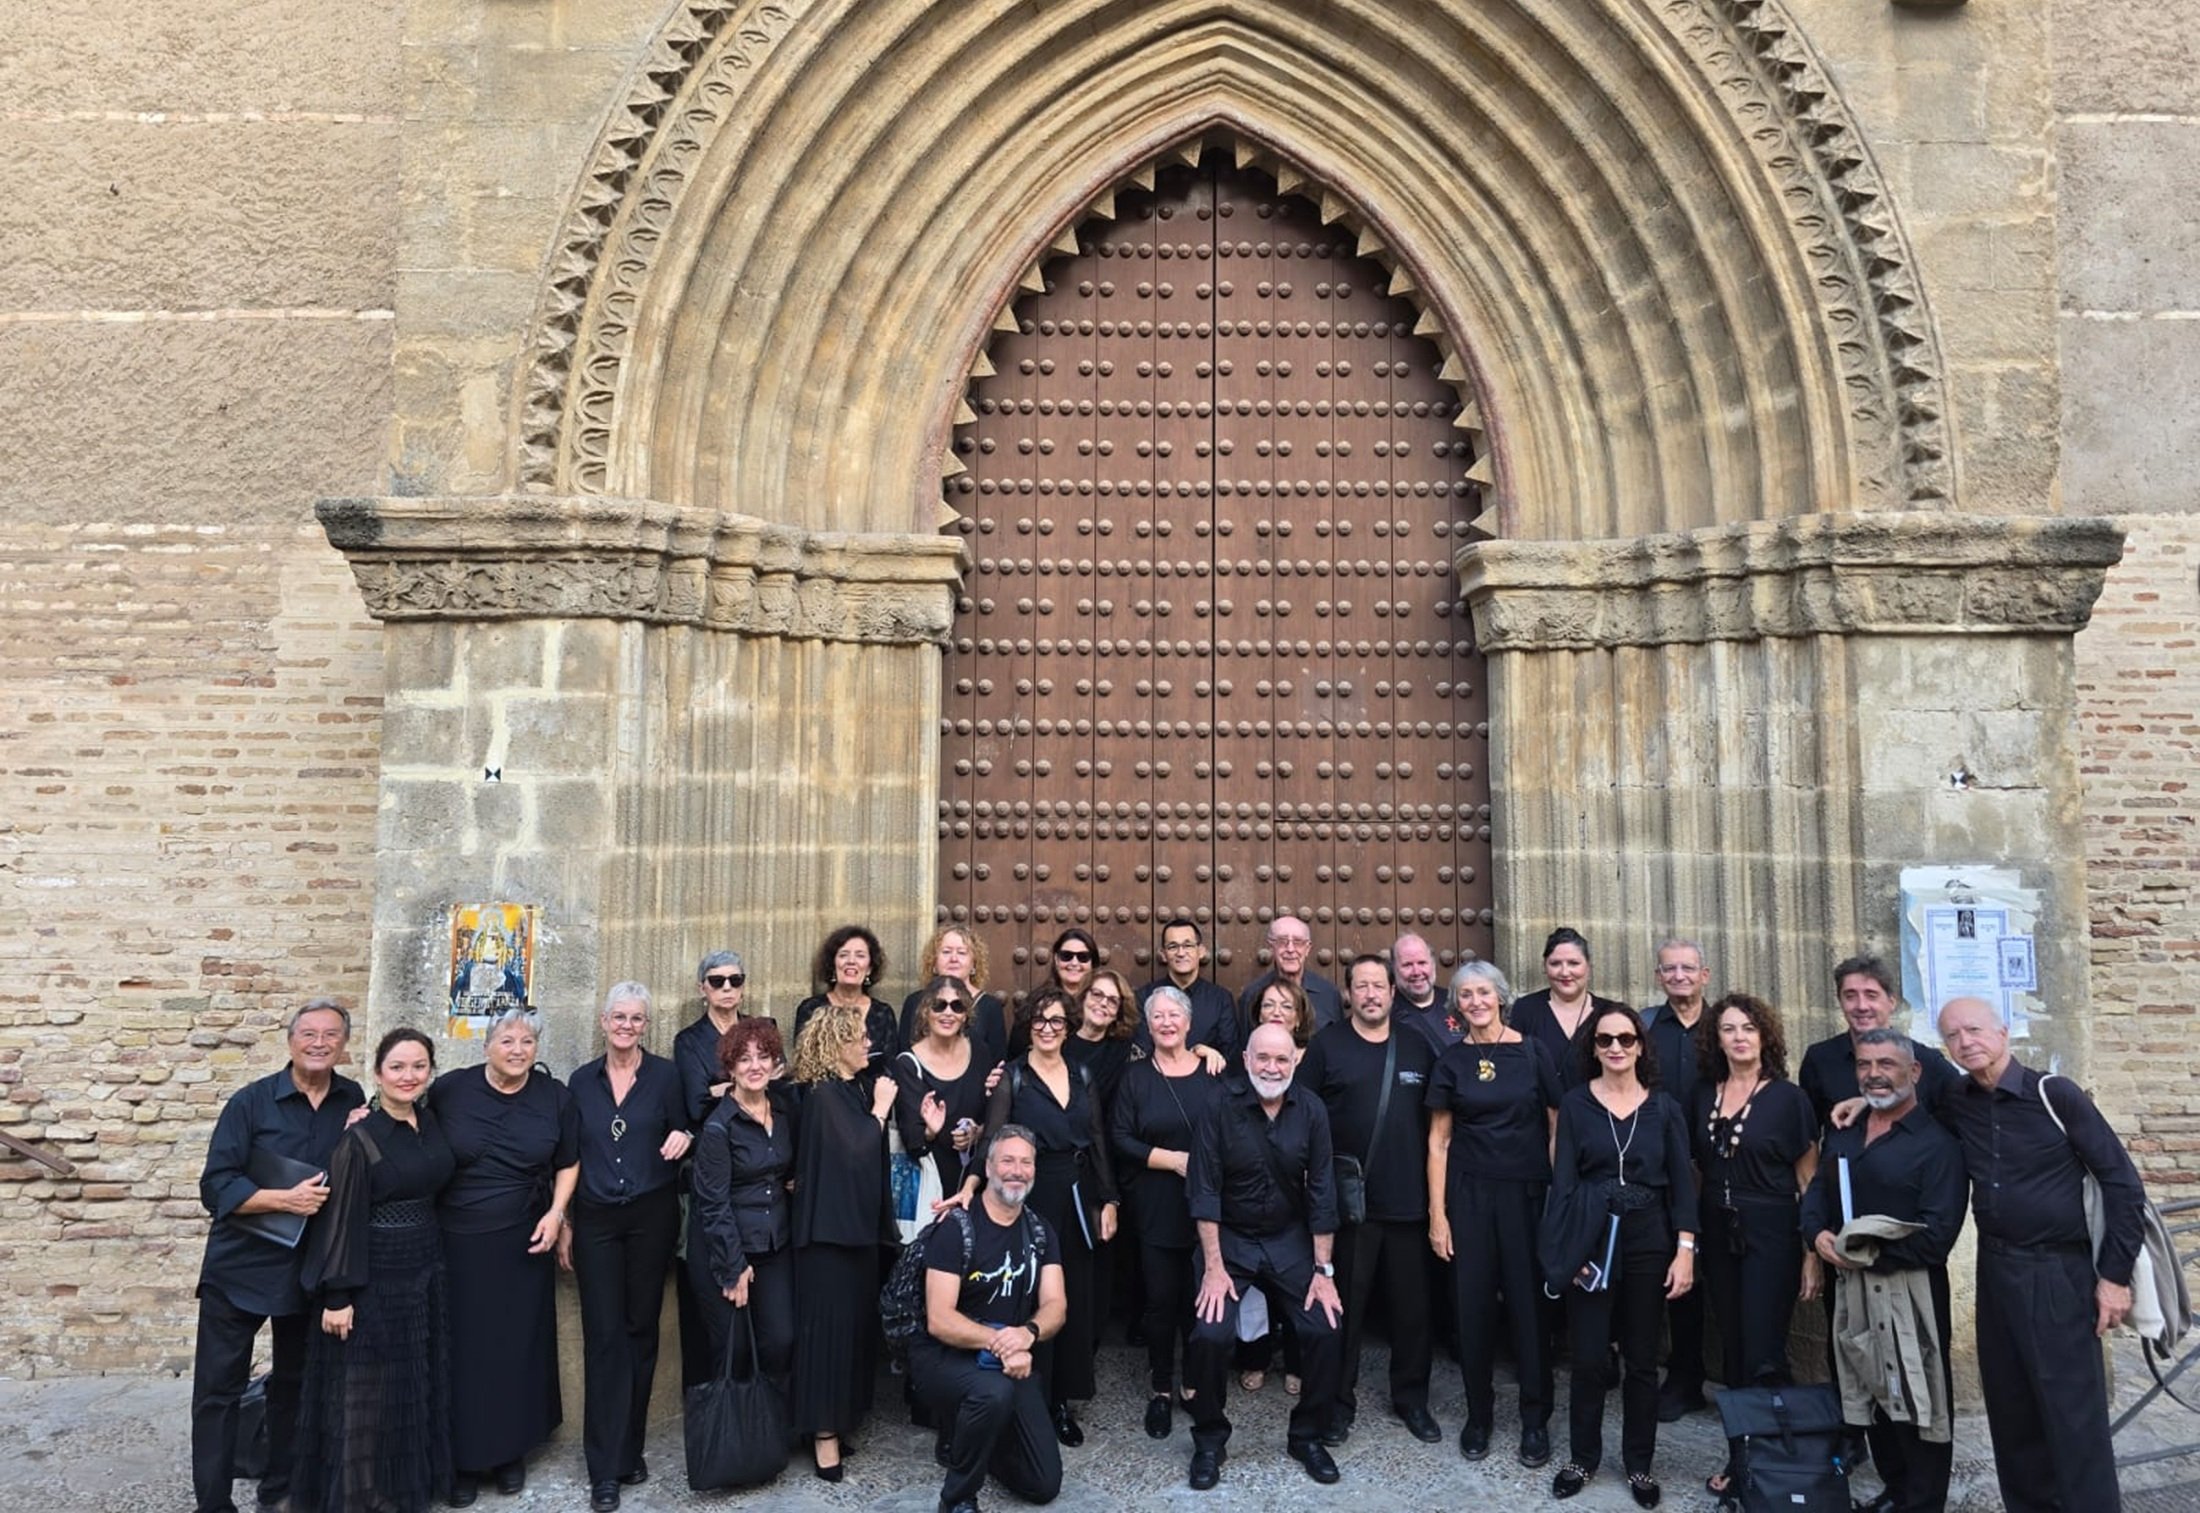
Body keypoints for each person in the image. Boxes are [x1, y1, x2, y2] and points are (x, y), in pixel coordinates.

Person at [1937, 995, 2145, 1513]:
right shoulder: (1957, 1098)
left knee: (2073, 1420)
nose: (1966, 1042)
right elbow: (1900, 1095)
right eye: (1954, 1036)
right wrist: (1857, 1107)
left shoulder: (2056, 1095)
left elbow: (2122, 1184)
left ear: (2003, 1033)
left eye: (1975, 1030)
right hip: (1997, 1270)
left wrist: (2114, 1277)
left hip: (2060, 1273)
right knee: (2013, 1415)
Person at [192, 999, 366, 1513]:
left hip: (306, 1270)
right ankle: (213, 1502)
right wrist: (283, 1201)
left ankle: (280, 1488)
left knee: (293, 1384)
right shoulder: (251, 1103)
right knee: (218, 1392)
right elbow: (215, 1186)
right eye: (308, 1033)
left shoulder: (351, 1099)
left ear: (343, 1044)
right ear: (290, 1040)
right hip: (239, 1267)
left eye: (330, 1034)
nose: (318, 1042)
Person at [290, 1027, 456, 1512]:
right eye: (398, 1067)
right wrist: (338, 1296)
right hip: (375, 1275)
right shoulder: (359, 1138)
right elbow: (341, 1221)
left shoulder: (430, 1123)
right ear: (378, 1074)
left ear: (430, 1072)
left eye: (419, 1066)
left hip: (425, 1268)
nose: (409, 1076)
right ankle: (359, 1496)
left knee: (408, 1384)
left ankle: (396, 1489)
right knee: (364, 1391)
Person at [1800, 1030, 1967, 1513]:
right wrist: (1816, 1235)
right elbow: (1818, 1195)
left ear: (1913, 1072)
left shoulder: (1937, 1145)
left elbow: (1937, 1236)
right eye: (1865, 1064)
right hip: (1852, 1285)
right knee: (1869, 1387)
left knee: (1921, 1395)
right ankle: (1895, 1488)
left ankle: (1923, 1501)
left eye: (1887, 1064)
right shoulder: (1846, 1131)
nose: (1874, 1073)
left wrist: (1862, 1252)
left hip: (1908, 1287)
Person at [1543, 1005, 1696, 1507]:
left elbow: (1682, 1187)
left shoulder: (1665, 1108)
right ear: (1593, 1048)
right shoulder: (1575, 1104)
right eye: (1605, 1040)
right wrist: (1570, 1252)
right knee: (1588, 1359)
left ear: (1639, 1047)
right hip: (1591, 1237)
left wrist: (1685, 1251)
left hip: (1649, 1239)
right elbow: (1562, 1185)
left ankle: (1639, 1465)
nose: (1615, 1048)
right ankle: (1582, 1458)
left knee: (1643, 1360)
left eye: (1625, 1039)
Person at [1183, 1022, 1346, 1489]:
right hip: (1229, 1241)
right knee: (1211, 1335)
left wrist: (1323, 1270)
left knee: (1326, 1325)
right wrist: (1213, 1268)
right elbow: (1205, 1189)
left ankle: (1308, 1435)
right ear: (1246, 1060)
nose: (1272, 1067)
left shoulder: (1311, 1109)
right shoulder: (1218, 1105)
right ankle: (1210, 1439)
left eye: (1281, 1059)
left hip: (1288, 1239)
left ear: (1295, 1060)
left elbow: (1321, 1192)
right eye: (1263, 1058)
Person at [433, 1008, 579, 1504]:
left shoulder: (555, 1097)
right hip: (458, 1237)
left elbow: (569, 1161)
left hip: (524, 1237)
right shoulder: (451, 1090)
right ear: (486, 1046)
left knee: (517, 1346)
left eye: (527, 1042)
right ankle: (462, 1460)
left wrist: (558, 1215)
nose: (518, 1050)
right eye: (507, 1041)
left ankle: (510, 1451)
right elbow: (405, 1120)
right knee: (464, 1347)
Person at [1294, 953, 1440, 1443]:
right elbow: (1301, 1117)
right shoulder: (1325, 1047)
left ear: (1393, 993)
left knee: (1413, 1312)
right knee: (1345, 1315)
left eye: (1380, 985)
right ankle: (1338, 1405)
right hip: (1348, 1209)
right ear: (1349, 994)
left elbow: (1438, 1129)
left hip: (1408, 1205)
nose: (1372, 994)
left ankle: (1412, 1400)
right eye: (1362, 986)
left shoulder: (1418, 1047)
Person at [1426, 960, 1562, 1468]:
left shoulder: (1532, 1050)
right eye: (1465, 995)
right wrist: (1438, 1215)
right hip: (1469, 1196)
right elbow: (1439, 1141)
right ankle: (1478, 1416)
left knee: (1529, 1310)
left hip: (1526, 1195)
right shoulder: (1451, 1060)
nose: (1476, 1002)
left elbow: (1554, 1125)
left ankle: (1534, 1420)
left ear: (1501, 997)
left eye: (1484, 993)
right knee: (1473, 1308)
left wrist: (1557, 1197)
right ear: (1456, 1005)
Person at [562, 984, 693, 1512]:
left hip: (650, 1216)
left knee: (641, 1332)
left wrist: (684, 1134)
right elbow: (568, 1154)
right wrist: (566, 1220)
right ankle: (604, 1468)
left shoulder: (665, 1076)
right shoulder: (579, 1081)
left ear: (645, 1025)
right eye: (619, 1016)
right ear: (603, 1021)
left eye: (636, 1018)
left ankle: (630, 1448)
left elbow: (686, 1127)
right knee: (604, 1336)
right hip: (595, 1220)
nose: (626, 1026)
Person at [1689, 993, 1818, 1504]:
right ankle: (1744, 1455)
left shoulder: (1789, 1100)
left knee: (1764, 1350)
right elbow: (1698, 1170)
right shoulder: (1704, 1095)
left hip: (1771, 1232)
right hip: (1719, 1234)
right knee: (1735, 1349)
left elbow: (1810, 1182)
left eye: (1748, 1028)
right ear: (1715, 1038)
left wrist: (1811, 1254)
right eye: (1728, 1028)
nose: (1738, 1036)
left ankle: (1768, 1463)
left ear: (1764, 1036)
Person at [976, 986, 1119, 1447]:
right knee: (1025, 1297)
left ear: (1068, 1025)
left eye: (1057, 1020)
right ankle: (1022, 1397)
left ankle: (1060, 1401)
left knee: (1070, 1299)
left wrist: (1110, 1200)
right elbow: (994, 1141)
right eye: (1039, 1021)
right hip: (1028, 1196)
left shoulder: (1080, 1073)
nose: (1048, 1029)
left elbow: (1096, 1138)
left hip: (1077, 1196)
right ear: (1028, 1027)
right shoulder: (1012, 1078)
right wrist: (972, 1191)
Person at [911, 1126, 1069, 1513]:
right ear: (990, 1167)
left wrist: (1028, 1334)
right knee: (992, 1393)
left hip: (1012, 1353)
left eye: (1026, 1162)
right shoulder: (956, 1228)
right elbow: (940, 1319)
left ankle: (973, 1439)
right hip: (945, 1356)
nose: (1017, 1170)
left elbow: (1056, 1305)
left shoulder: (1039, 1230)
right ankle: (958, 1498)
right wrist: (1003, 1342)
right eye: (1008, 1160)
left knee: (1043, 1483)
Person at [1110, 984, 1227, 1440]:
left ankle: (1194, 1384)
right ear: (1148, 1024)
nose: (1165, 1022)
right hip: (1157, 1203)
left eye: (1173, 1015)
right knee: (1160, 1303)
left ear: (1189, 1023)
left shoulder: (1213, 1071)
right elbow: (1121, 1137)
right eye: (1156, 1016)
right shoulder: (1136, 1078)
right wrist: (1172, 1159)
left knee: (1200, 1302)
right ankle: (1161, 1387)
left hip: (1207, 1204)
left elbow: (1231, 1129)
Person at [787, 1001, 898, 1481]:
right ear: (838, 1044)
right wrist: (880, 1110)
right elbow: (855, 1152)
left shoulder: (846, 1089)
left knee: (851, 1334)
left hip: (852, 1236)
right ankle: (823, 1434)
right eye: (860, 1037)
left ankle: (841, 1420)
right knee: (826, 1338)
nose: (868, 1044)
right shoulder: (825, 1094)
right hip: (828, 1241)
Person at [686, 1017, 797, 1406]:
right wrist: (733, 1267)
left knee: (781, 1340)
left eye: (763, 1057)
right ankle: (737, 1445)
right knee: (735, 1352)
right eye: (744, 1059)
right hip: (728, 1250)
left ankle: (773, 1433)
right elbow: (713, 1205)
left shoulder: (783, 1111)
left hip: (774, 1244)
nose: (755, 1066)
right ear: (730, 1068)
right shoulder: (719, 1127)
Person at [671, 949, 751, 1387]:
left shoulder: (760, 1030)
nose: (726, 988)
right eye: (716, 980)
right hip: (712, 1164)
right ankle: (709, 1395)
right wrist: (740, 1088)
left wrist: (723, 1088)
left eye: (734, 980)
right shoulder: (689, 1040)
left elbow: (774, 1087)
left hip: (756, 1165)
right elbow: (694, 1102)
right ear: (703, 988)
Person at [1639, 937, 1711, 1420]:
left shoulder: (1727, 1027)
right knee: (1670, 1275)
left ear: (1704, 975)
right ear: (1659, 976)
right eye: (1670, 969)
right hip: (1662, 1171)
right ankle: (1681, 1378)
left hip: (1718, 1169)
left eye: (1688, 968)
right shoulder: (1646, 1029)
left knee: (1717, 1276)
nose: (1679, 976)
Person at [1233, 974, 1314, 1392]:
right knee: (1255, 1288)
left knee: (1296, 1287)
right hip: (1250, 1192)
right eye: (1269, 1005)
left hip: (1296, 1190)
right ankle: (1256, 1357)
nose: (1277, 1012)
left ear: (1299, 1016)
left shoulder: (1312, 1060)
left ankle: (1298, 1361)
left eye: (1286, 1006)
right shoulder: (1245, 1057)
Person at [1797, 954, 1961, 1129]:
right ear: (1840, 1002)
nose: (1861, 1006)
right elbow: (1808, 1136)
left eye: (1871, 995)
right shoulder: (1819, 1059)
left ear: (1891, 1002)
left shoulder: (1928, 1062)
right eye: (1850, 996)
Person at [894, 975, 995, 1201]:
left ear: (966, 1014)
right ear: (925, 1011)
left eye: (957, 1006)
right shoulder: (908, 1064)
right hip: (929, 1181)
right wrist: (930, 1131)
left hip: (974, 1178)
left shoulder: (980, 1051)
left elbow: (993, 1113)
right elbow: (911, 1136)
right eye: (939, 1005)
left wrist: (976, 1132)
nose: (948, 1013)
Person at [1511, 927, 1629, 1092]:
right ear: (1544, 967)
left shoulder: (1610, 1012)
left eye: (1573, 963)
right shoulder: (1526, 1009)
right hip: (1538, 1114)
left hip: (1595, 1113)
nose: (1565, 972)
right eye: (1555, 963)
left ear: (1589, 967)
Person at [791, 924, 900, 1074]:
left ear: (869, 968)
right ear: (833, 964)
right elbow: (804, 1063)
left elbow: (890, 1067)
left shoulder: (883, 1013)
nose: (851, 961)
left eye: (860, 955)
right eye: (843, 955)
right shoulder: (811, 1008)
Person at [899, 926, 1012, 1071]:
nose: (954, 959)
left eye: (962, 953)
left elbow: (997, 1062)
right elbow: (904, 1054)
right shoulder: (914, 1002)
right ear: (933, 962)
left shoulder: (990, 1006)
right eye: (946, 952)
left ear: (974, 964)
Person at [1137, 918, 1243, 1060]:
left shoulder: (1220, 999)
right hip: (1155, 1080)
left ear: (1201, 951)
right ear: (1163, 954)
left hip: (1208, 1080)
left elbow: (1230, 1054)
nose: (1181, 953)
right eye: (1173, 946)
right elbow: (1142, 1050)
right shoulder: (1144, 997)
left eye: (1188, 945)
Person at [1234, 913, 1342, 1037]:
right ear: (1271, 947)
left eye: (1298, 942)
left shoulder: (1329, 993)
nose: (1290, 949)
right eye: (1282, 941)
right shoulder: (1252, 994)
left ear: (1307, 949)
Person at [1064, 966, 1142, 1109]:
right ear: (1083, 997)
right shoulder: (1060, 1042)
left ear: (1118, 1012)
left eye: (1113, 1001)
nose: (1103, 1003)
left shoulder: (1124, 1050)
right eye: (1097, 994)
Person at [1390, 932, 1457, 1046]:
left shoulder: (1456, 1003)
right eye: (1407, 965)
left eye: (1422, 963)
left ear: (1433, 964)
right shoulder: (1386, 1013)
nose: (1416, 972)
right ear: (1394, 968)